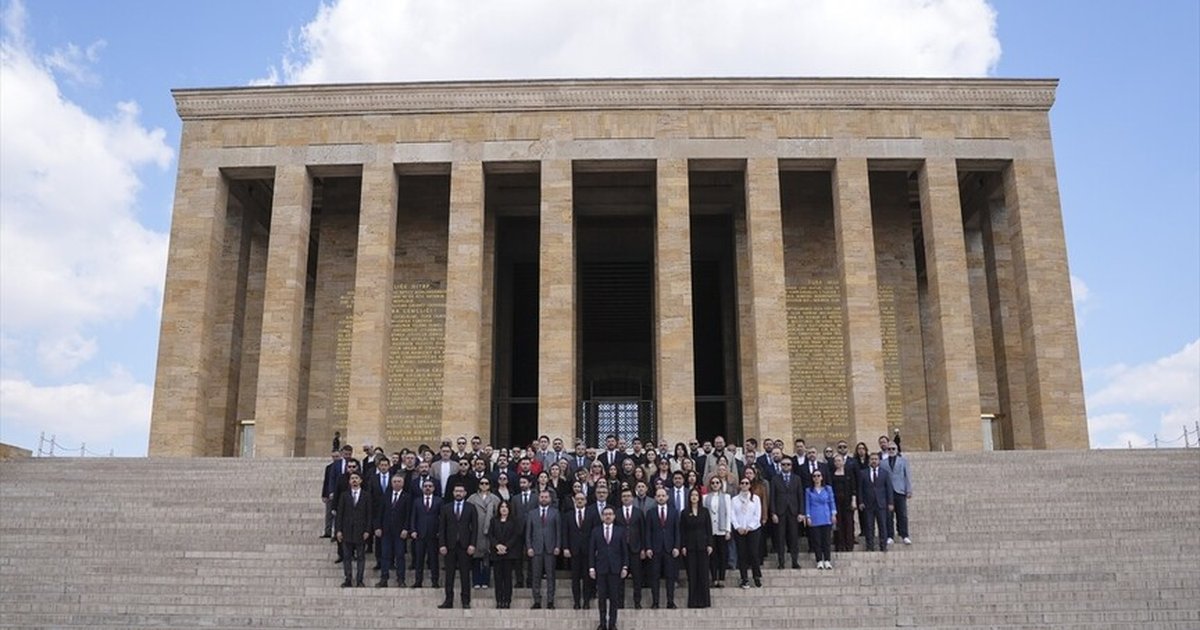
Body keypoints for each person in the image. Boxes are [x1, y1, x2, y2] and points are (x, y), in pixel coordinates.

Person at [438, 484, 478, 609]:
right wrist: (442, 544)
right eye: (456, 491)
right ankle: (448, 600)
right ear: (453, 493)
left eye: (461, 491)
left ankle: (465, 601)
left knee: (465, 575)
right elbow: (442, 528)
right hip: (450, 545)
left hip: (465, 545)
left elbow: (475, 528)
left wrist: (472, 544)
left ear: (465, 493)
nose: (458, 493)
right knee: (449, 575)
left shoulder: (471, 507)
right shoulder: (446, 508)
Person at [589, 506, 626, 630]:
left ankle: (612, 623)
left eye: (610, 514)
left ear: (614, 516)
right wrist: (591, 567)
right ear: (602, 517)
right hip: (601, 568)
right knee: (602, 598)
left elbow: (624, 551)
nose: (608, 516)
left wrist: (625, 567)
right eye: (605, 514)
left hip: (615, 568)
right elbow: (591, 550)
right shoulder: (596, 531)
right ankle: (602, 623)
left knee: (614, 598)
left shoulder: (620, 531)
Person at [335, 471, 373, 587]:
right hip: (346, 531)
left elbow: (369, 514)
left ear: (360, 480)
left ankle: (359, 580)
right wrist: (338, 530)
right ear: (349, 481)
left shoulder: (366, 496)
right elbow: (340, 514)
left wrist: (367, 530)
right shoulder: (344, 495)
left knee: (361, 557)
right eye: (352, 478)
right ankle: (348, 579)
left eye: (356, 478)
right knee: (347, 557)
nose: (354, 480)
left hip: (361, 531)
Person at [646, 486, 681, 609]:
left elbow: (677, 531)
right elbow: (648, 531)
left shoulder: (674, 512)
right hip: (655, 549)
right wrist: (648, 547)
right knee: (654, 576)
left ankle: (670, 601)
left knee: (670, 576)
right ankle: (655, 602)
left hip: (669, 548)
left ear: (667, 497)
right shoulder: (651, 512)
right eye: (658, 496)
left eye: (663, 495)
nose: (661, 498)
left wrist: (677, 546)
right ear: (655, 498)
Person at [375, 474, 413, 587]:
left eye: (399, 481)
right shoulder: (385, 496)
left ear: (403, 483)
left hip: (400, 532)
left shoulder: (407, 497)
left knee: (400, 555)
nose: (397, 483)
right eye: (395, 481)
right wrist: (378, 527)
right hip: (386, 531)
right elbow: (379, 513)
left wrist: (406, 529)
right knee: (385, 555)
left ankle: (401, 579)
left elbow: (408, 515)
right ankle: (384, 578)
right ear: (391, 483)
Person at [526, 489, 560, 609]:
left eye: (546, 497)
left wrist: (558, 546)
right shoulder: (532, 513)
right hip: (536, 549)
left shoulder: (555, 512)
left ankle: (550, 601)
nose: (544, 499)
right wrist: (529, 547)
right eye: (542, 497)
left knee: (551, 576)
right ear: (538, 498)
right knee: (536, 576)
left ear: (550, 499)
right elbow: (528, 533)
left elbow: (558, 531)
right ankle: (537, 600)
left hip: (550, 548)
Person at [770, 457, 805, 569]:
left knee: (794, 537)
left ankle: (795, 561)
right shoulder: (775, 479)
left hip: (793, 511)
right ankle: (781, 562)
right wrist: (773, 513)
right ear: (780, 466)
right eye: (784, 464)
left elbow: (800, 496)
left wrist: (801, 512)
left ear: (791, 466)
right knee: (780, 538)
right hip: (780, 512)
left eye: (788, 464)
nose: (786, 466)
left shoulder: (797, 479)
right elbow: (772, 497)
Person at [614, 486, 646, 609]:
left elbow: (643, 531)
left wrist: (643, 548)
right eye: (624, 496)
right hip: (620, 550)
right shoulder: (617, 513)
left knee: (637, 577)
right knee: (620, 577)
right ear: (621, 499)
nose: (626, 498)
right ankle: (620, 602)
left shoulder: (638, 512)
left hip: (635, 549)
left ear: (632, 498)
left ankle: (637, 602)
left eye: (628, 496)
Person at [563, 491, 596, 609]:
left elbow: (595, 533)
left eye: (582, 499)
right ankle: (576, 601)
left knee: (587, 578)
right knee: (575, 578)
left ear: (585, 501)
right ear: (574, 501)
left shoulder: (591, 514)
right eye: (577, 499)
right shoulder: (569, 515)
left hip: (588, 551)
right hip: (574, 551)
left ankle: (586, 601)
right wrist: (566, 547)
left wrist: (595, 548)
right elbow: (565, 533)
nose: (580, 501)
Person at [680, 488, 712, 608]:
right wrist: (683, 545)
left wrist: (710, 544)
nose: (694, 497)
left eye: (696, 495)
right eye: (692, 495)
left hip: (703, 546)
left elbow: (709, 529)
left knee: (703, 573)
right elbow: (682, 530)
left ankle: (704, 601)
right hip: (690, 546)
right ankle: (693, 601)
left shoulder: (705, 511)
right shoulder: (684, 512)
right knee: (692, 574)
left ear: (699, 497)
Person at [858, 452, 894, 552]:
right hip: (868, 503)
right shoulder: (863, 473)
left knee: (882, 525)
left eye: (876, 459)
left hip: (881, 503)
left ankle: (883, 545)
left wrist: (890, 502)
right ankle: (870, 546)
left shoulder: (884, 473)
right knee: (869, 526)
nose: (874, 461)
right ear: (869, 461)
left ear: (879, 461)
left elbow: (889, 489)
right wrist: (860, 501)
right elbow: (860, 488)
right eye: (872, 459)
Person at [489, 500, 522, 609]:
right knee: (498, 579)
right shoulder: (494, 521)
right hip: (496, 553)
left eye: (506, 507)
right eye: (502, 507)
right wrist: (497, 545)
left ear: (509, 509)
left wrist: (506, 546)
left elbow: (516, 535)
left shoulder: (514, 521)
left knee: (507, 579)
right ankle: (499, 600)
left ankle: (507, 600)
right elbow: (490, 535)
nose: (504, 509)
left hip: (509, 553)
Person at [409, 479, 442, 588]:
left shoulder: (439, 501)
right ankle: (418, 581)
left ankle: (435, 581)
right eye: (425, 486)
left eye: (430, 486)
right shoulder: (417, 501)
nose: (427, 488)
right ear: (422, 488)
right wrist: (413, 530)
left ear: (433, 488)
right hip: (420, 534)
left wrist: (440, 531)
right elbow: (413, 517)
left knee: (434, 559)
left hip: (433, 534)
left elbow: (442, 518)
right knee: (419, 559)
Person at [467, 477, 500, 589]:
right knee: (476, 557)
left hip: (490, 531)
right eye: (482, 483)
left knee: (487, 557)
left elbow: (498, 514)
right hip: (476, 530)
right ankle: (476, 580)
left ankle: (485, 581)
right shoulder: (472, 498)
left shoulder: (495, 498)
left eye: (486, 483)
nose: (484, 485)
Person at [731, 476, 763, 589]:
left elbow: (757, 515)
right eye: (742, 483)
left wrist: (749, 527)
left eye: (747, 483)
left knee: (753, 553)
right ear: (740, 485)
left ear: (750, 485)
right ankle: (744, 578)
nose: (744, 485)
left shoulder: (755, 498)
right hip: (739, 530)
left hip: (753, 529)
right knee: (742, 554)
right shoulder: (734, 500)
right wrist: (737, 527)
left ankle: (756, 576)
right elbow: (732, 515)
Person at [703, 477, 732, 587]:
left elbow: (728, 514)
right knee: (712, 555)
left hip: (722, 529)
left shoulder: (726, 497)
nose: (715, 484)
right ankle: (714, 577)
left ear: (720, 484)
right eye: (713, 483)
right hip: (710, 530)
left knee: (723, 554)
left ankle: (722, 578)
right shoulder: (705, 498)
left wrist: (728, 530)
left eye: (717, 482)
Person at [804, 470, 836, 569]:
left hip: (826, 516)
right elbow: (807, 504)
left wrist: (833, 514)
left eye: (818, 475)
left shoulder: (828, 489)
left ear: (822, 477)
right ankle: (819, 560)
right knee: (817, 540)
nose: (816, 478)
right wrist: (808, 516)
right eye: (814, 476)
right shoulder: (809, 490)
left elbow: (832, 501)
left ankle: (827, 560)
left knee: (826, 540)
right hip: (814, 516)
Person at [883, 443, 913, 545]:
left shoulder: (903, 461)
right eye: (889, 449)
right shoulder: (883, 463)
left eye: (893, 448)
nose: (891, 450)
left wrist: (909, 490)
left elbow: (907, 475)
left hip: (900, 490)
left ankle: (904, 534)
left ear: (896, 449)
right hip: (888, 492)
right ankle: (890, 535)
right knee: (888, 515)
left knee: (902, 514)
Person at [829, 454, 857, 552]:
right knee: (838, 522)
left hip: (847, 501)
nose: (837, 463)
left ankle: (849, 544)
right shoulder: (832, 474)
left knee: (848, 522)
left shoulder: (849, 473)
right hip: (836, 502)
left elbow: (853, 488)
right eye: (836, 461)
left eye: (839, 460)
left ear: (843, 462)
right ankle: (839, 545)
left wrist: (854, 500)